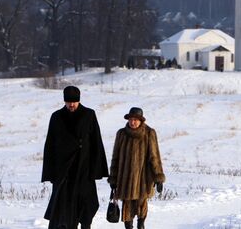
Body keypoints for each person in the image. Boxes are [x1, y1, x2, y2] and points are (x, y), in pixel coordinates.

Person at [41, 86, 109, 229]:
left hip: (83, 168)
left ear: (79, 100)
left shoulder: (89, 115)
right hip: (63, 170)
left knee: (86, 203)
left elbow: (96, 142)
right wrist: (50, 172)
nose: (71, 105)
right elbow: (50, 145)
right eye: (68, 102)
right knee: (62, 206)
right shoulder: (56, 117)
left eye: (74, 102)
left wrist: (96, 170)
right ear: (64, 101)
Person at [109, 107, 165, 229]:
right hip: (125, 180)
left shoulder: (149, 133)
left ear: (141, 121)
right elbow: (115, 158)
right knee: (127, 210)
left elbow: (154, 157)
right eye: (130, 119)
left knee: (141, 209)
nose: (132, 122)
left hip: (143, 179)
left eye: (135, 120)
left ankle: (141, 225)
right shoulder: (121, 134)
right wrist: (113, 179)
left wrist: (158, 177)